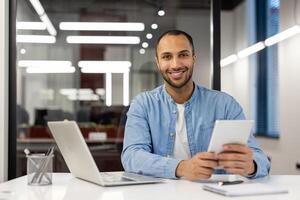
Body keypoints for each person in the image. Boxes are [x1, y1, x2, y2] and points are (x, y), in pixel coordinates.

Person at [121, 30, 270, 180]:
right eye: (167, 57)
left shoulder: (225, 105)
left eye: (183, 55)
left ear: (193, 58)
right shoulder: (143, 105)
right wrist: (182, 167)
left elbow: (260, 158)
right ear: (158, 62)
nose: (175, 64)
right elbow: (131, 156)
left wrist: (251, 166)